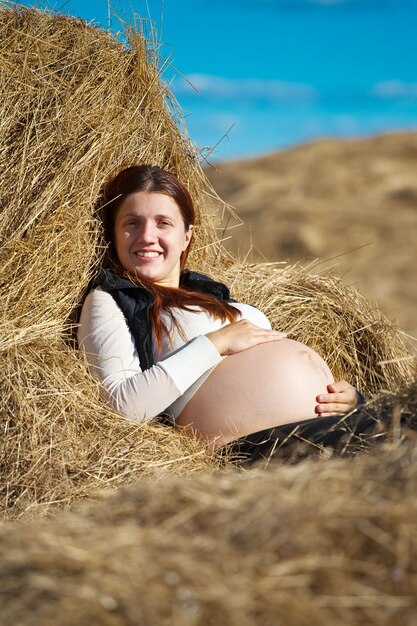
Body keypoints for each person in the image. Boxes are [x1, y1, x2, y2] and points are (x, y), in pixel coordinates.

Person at [78, 164, 363, 452]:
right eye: (132, 223)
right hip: (260, 445)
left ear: (186, 236)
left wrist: (351, 400)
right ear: (114, 234)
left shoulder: (210, 292)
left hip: (324, 427)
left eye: (163, 223)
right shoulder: (111, 299)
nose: (147, 236)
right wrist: (215, 344)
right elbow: (122, 407)